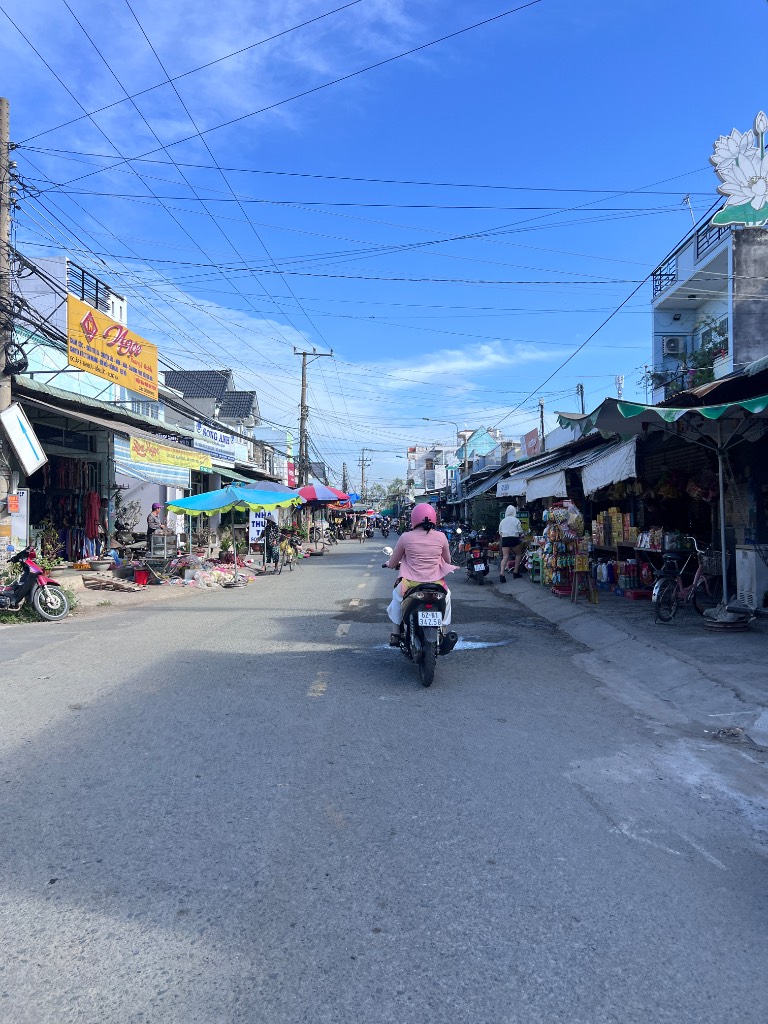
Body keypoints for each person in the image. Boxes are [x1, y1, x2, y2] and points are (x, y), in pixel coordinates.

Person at [384, 503, 457, 647]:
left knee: (397, 597)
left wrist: (388, 564)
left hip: (411, 583)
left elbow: (393, 563)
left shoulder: (405, 537)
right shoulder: (441, 537)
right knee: (447, 596)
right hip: (436, 584)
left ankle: (396, 633)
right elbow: (448, 560)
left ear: (414, 519)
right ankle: (443, 628)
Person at [498, 503, 524, 583]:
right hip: (514, 539)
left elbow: (500, 532)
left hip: (505, 539)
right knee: (518, 554)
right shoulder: (516, 520)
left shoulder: (503, 521)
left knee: (505, 556)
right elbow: (520, 531)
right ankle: (515, 572)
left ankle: (502, 574)